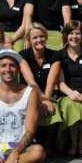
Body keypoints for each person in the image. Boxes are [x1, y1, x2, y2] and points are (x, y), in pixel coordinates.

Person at [49, 20, 82, 159]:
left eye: (78, 33)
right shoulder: (59, 55)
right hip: (67, 93)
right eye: (71, 33)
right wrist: (70, 93)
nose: (74, 37)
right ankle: (73, 144)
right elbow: (60, 82)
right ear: (66, 35)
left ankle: (81, 145)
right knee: (71, 105)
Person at [19, 23, 62, 155]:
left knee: (52, 110)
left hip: (48, 94)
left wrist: (46, 100)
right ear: (29, 40)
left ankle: (47, 143)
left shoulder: (54, 55)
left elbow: (51, 82)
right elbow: (30, 81)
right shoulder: (23, 55)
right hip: (28, 94)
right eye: (35, 38)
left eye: (42, 36)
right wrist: (41, 99)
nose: (39, 40)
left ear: (46, 37)